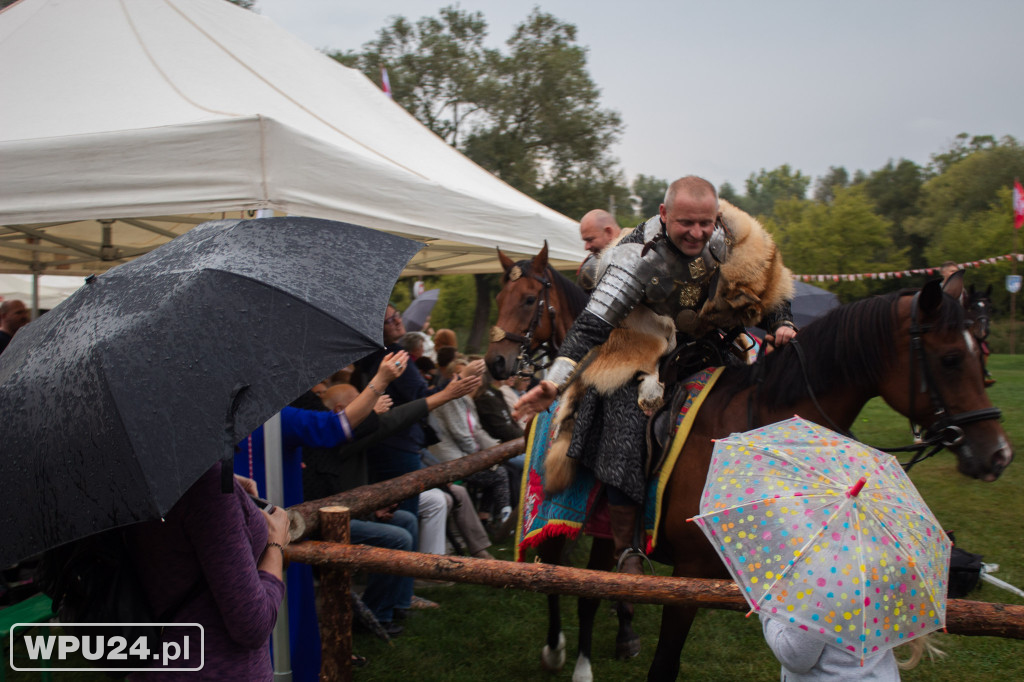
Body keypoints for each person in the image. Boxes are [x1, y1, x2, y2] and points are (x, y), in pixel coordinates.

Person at [515, 176, 796, 580]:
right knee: (623, 417)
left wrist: (782, 322)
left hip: (706, 347)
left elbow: (770, 290)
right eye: (686, 223)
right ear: (664, 215)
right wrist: (552, 383)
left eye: (704, 223)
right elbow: (591, 327)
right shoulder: (634, 257)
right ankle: (627, 547)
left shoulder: (736, 243)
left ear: (716, 217)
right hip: (640, 346)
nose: (697, 232)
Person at [126, 463, 289, 681]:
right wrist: (275, 546)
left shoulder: (129, 476)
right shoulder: (205, 484)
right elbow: (252, 624)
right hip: (217, 670)